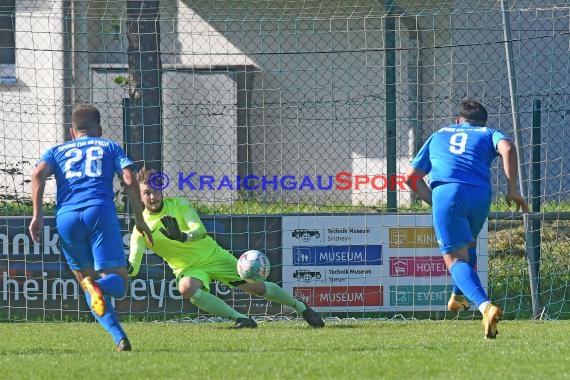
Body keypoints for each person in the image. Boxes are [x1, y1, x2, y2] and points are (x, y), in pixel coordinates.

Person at [128, 167, 325, 329]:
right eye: (147, 193)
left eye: (156, 191)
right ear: (139, 195)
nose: (152, 196)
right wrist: (125, 268)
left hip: (214, 256)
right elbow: (133, 265)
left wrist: (182, 236)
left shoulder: (179, 204)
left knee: (257, 287)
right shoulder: (141, 228)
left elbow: (200, 230)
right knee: (186, 288)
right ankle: (240, 318)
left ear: (162, 190)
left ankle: (301, 308)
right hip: (188, 269)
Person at [29, 104, 153, 351]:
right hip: (99, 212)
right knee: (117, 281)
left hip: (66, 217)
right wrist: (139, 219)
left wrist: (37, 215)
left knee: (87, 281)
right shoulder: (108, 146)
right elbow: (129, 178)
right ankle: (99, 291)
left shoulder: (56, 150)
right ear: (99, 129)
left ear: (72, 131)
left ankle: (119, 338)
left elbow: (38, 174)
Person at [405, 99, 529, 339]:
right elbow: (508, 149)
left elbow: (411, 177)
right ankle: (459, 298)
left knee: (454, 259)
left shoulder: (439, 134)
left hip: (448, 192)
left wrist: (436, 202)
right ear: (482, 122)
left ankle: (485, 307)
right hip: (480, 195)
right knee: (468, 243)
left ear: (457, 121)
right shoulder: (488, 132)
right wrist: (512, 188)